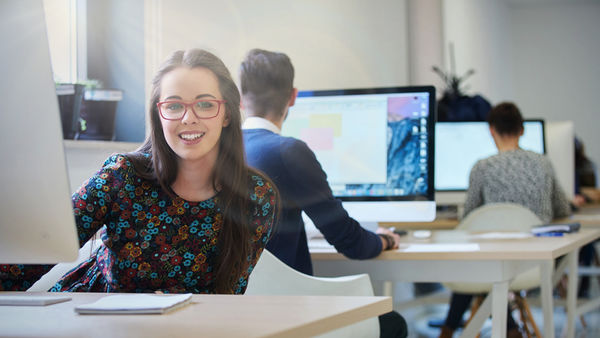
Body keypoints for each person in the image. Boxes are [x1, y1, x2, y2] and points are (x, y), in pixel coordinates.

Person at [1, 49, 278, 294]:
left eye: (205, 104)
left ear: (227, 114)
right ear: (159, 114)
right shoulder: (121, 176)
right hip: (92, 321)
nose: (188, 117)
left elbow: (227, 295)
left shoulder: (256, 196)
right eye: (174, 105)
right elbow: (30, 259)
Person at [239, 48, 407, 338]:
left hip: (236, 312)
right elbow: (349, 242)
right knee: (394, 323)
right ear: (293, 97)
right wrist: (385, 239)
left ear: (240, 99)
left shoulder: (218, 150)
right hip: (287, 311)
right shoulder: (287, 151)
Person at [439, 102, 571, 338]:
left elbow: (469, 216)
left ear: (491, 130)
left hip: (495, 261)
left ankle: (450, 331)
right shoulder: (543, 163)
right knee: (482, 269)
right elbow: (561, 208)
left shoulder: (481, 167)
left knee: (476, 266)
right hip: (535, 264)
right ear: (522, 130)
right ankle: (510, 331)